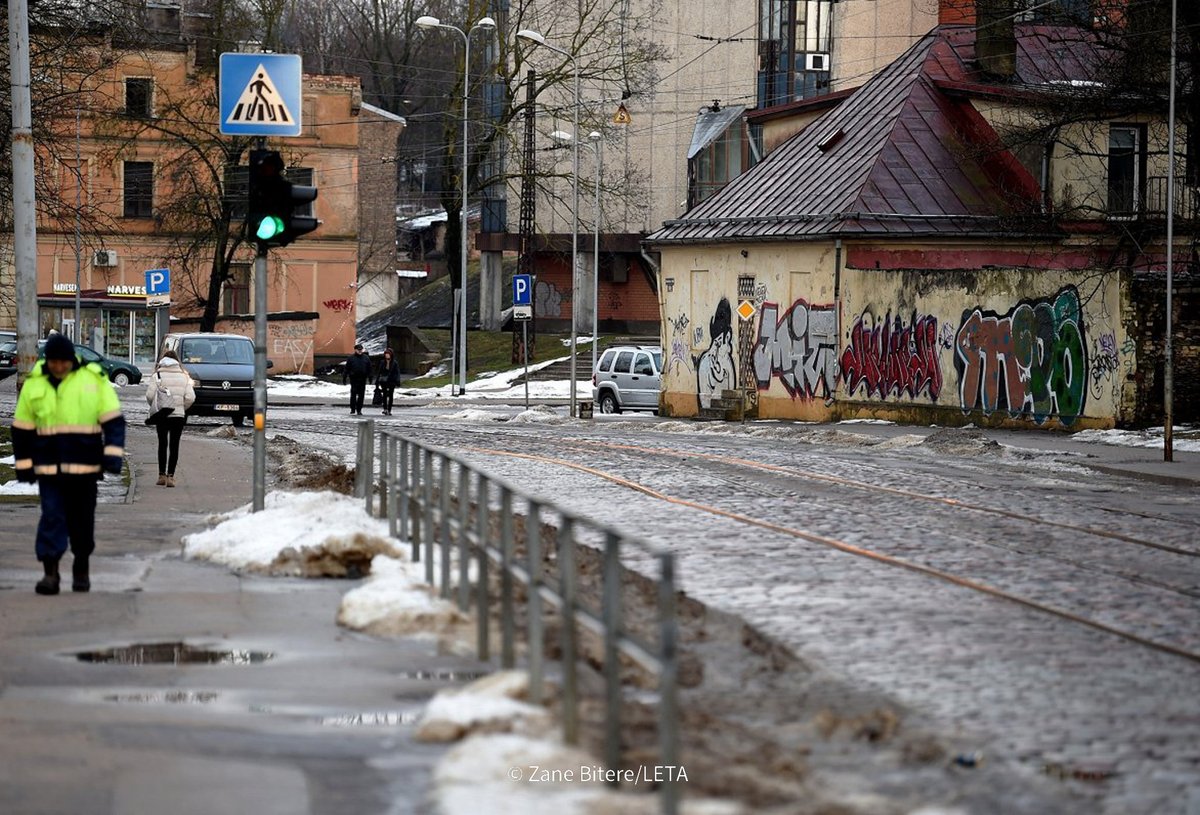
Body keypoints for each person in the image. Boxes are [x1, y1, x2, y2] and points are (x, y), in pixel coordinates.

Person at [11, 333, 125, 595]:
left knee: (82, 522)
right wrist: (24, 464)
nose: (58, 367)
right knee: (52, 518)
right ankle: (50, 574)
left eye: (63, 362)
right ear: (47, 361)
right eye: (53, 362)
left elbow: (113, 422)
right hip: (49, 470)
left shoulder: (92, 380)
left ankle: (81, 568)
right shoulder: (34, 385)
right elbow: (21, 429)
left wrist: (112, 455)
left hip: (85, 470)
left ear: (71, 360)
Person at [146, 350, 196, 488]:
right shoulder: (184, 377)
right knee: (174, 446)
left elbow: (150, 396)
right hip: (178, 416)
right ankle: (171, 477)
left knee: (162, 444)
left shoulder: (158, 375)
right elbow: (191, 397)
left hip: (162, 415)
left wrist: (157, 406)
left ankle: (161, 475)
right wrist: (181, 407)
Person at [343, 343, 371, 415]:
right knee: (353, 394)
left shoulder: (366, 358)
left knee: (361, 395)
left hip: (362, 379)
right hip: (354, 379)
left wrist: (370, 377)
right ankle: (352, 409)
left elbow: (369, 368)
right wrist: (344, 377)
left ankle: (359, 409)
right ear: (355, 350)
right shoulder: (351, 358)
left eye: (361, 350)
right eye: (358, 350)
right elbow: (347, 368)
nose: (360, 351)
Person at [375, 347, 401, 415]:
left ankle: (389, 409)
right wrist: (377, 380)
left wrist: (397, 380)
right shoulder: (382, 362)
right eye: (386, 354)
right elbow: (379, 371)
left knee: (391, 395)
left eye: (388, 354)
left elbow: (397, 372)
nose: (387, 355)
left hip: (391, 380)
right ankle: (385, 408)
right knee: (384, 395)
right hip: (384, 380)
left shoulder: (394, 363)